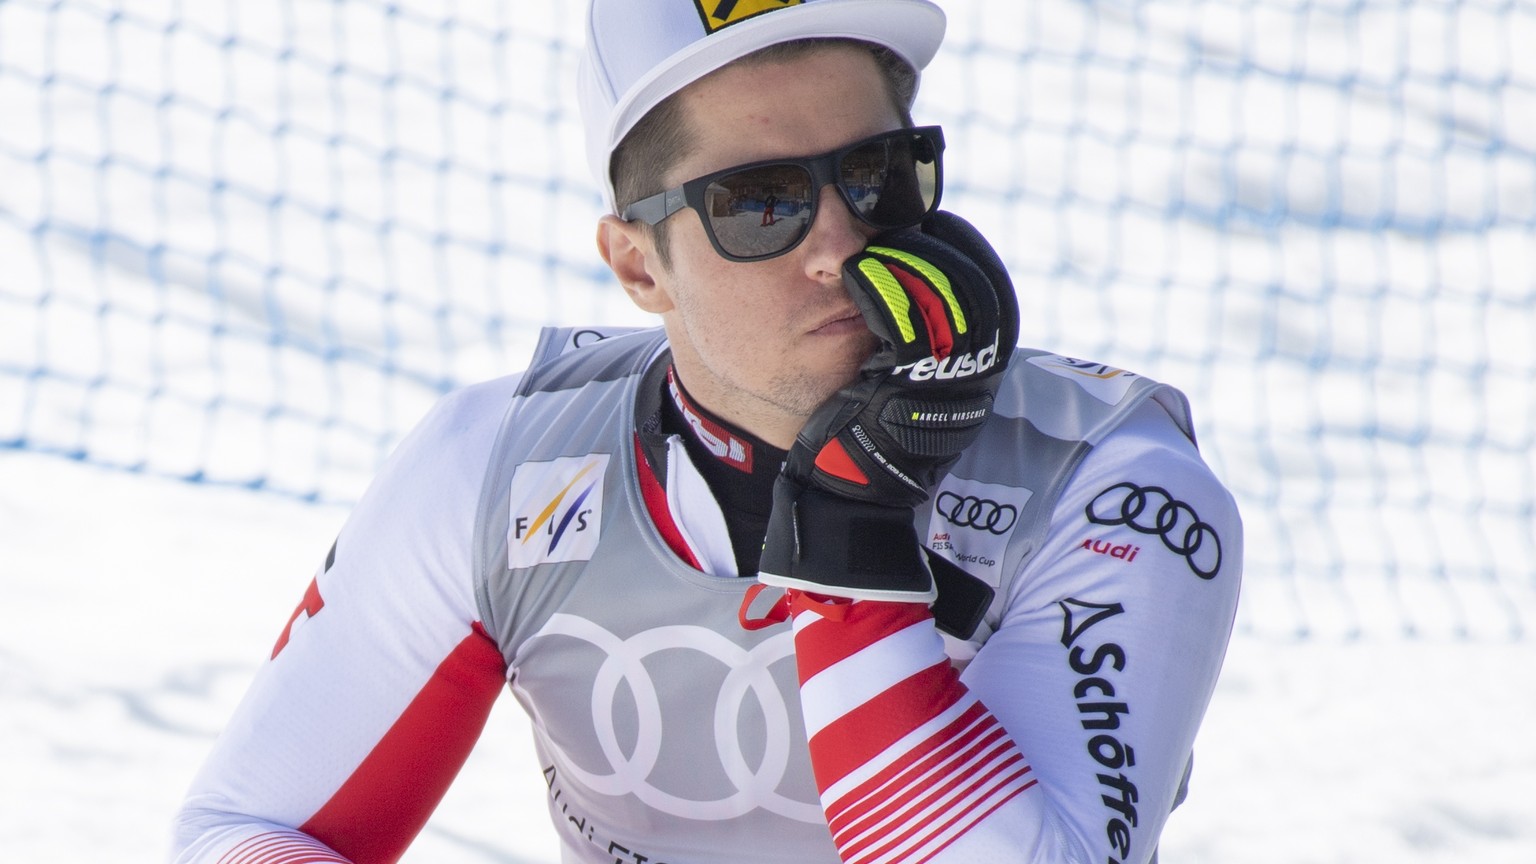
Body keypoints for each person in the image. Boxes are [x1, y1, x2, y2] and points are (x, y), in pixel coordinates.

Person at [170, 1, 1242, 863]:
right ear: (638, 266)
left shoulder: (1110, 485)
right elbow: (244, 830)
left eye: (878, 175)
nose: (839, 244)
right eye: (759, 203)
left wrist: (850, 532)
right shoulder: (493, 471)